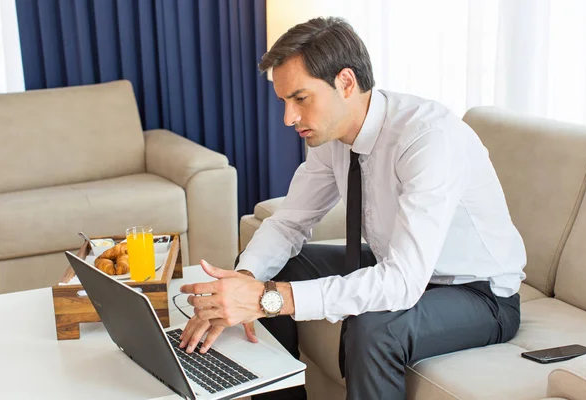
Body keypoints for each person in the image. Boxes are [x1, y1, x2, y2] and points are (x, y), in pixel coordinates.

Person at [178, 17, 526, 400]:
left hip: (477, 293)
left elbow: (402, 283)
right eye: (284, 101)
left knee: (374, 328)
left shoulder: (428, 140)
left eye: (300, 99)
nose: (288, 118)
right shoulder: (331, 135)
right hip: (396, 264)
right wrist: (244, 281)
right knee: (272, 264)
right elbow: (290, 223)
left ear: (345, 82)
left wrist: (265, 298)